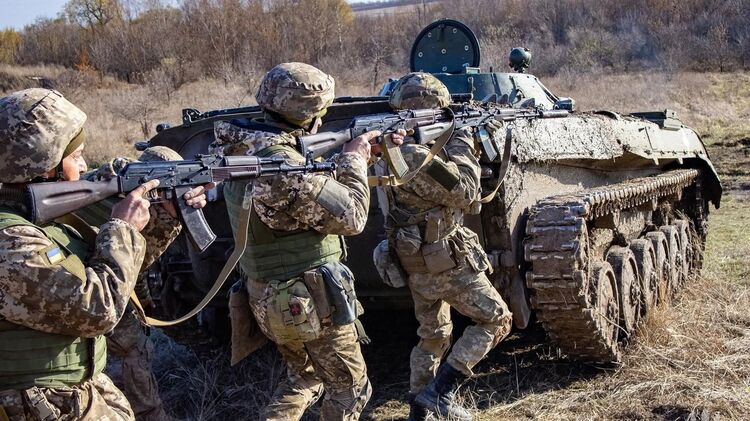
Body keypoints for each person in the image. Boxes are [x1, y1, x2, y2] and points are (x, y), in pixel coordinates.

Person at [209, 62, 402, 421]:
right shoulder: (281, 165)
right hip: (305, 299)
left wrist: (357, 157)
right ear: (311, 115)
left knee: (305, 378)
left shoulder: (243, 148)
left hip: (271, 294)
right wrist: (354, 159)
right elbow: (352, 217)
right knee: (351, 391)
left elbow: (306, 189)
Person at [0, 88, 208, 420]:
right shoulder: (11, 241)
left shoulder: (38, 218)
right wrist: (123, 228)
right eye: (76, 156)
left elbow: (113, 274)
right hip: (41, 401)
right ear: (45, 165)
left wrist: (164, 215)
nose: (84, 165)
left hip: (73, 387)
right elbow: (98, 309)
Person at [375, 73, 513, 421]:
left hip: (413, 260)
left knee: (433, 336)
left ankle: (418, 412)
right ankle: (440, 393)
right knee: (497, 319)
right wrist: (463, 138)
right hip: (443, 261)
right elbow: (466, 192)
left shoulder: (388, 150)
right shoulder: (414, 156)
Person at [77, 146, 190, 421]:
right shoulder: (112, 200)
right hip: (93, 291)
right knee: (133, 349)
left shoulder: (107, 186)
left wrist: (171, 216)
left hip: (97, 290)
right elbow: (127, 263)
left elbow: (136, 267)